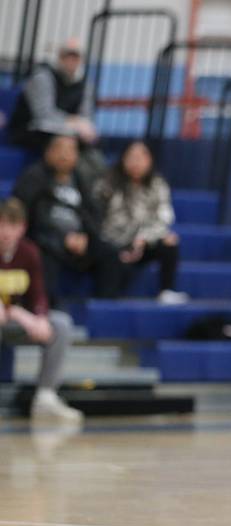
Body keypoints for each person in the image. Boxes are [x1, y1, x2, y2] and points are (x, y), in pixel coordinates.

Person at [13, 135, 123, 306]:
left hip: (77, 240)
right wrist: (60, 238)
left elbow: (93, 214)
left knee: (110, 253)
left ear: (77, 156)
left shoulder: (81, 179)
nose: (64, 155)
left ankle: (104, 307)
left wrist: (85, 236)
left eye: (70, 150)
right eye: (59, 149)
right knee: (41, 255)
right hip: (45, 241)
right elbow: (25, 218)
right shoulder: (33, 177)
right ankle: (48, 309)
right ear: (48, 152)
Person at [0, 198, 81, 423]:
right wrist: (11, 311)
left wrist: (40, 316)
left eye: (12, 225)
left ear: (22, 228)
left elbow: (38, 292)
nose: (6, 232)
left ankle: (45, 397)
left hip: (17, 321)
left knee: (60, 324)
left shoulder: (29, 252)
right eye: (1, 224)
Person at [94, 141, 188, 305]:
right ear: (123, 159)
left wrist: (142, 240)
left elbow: (163, 219)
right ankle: (107, 302)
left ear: (150, 160)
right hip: (112, 242)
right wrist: (122, 245)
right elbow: (97, 218)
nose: (137, 162)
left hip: (143, 243)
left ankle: (166, 291)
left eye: (142, 157)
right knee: (108, 256)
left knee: (169, 241)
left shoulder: (158, 184)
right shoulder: (107, 184)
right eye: (132, 157)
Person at [8, 38, 97, 151]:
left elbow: (86, 116)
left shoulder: (85, 84)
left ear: (81, 60)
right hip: (30, 130)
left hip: (66, 132)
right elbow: (43, 114)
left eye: (76, 57)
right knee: (63, 144)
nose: (71, 61)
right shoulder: (42, 77)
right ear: (59, 57)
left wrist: (83, 126)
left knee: (91, 142)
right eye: (67, 56)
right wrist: (72, 121)